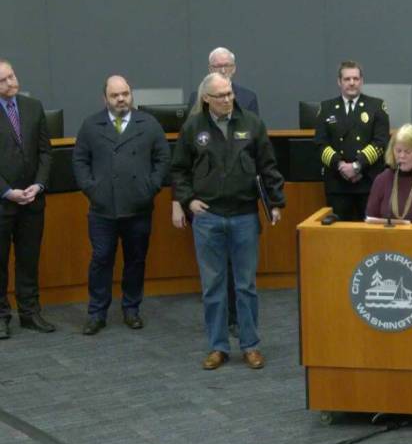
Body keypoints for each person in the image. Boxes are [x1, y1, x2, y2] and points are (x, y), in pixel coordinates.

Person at [170, 73, 285, 370]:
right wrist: (188, 200)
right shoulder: (193, 128)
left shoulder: (252, 124)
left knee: (245, 285)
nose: (227, 99)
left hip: (244, 215)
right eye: (220, 95)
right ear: (206, 98)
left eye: (229, 93)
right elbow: (179, 170)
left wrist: (275, 203)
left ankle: (250, 345)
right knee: (213, 286)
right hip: (208, 218)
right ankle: (218, 346)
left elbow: (268, 166)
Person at [72, 76, 170, 335]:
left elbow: (163, 158)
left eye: (125, 93)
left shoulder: (147, 123)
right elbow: (79, 160)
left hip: (138, 207)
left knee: (135, 260)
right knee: (101, 259)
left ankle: (131, 309)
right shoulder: (91, 125)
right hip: (102, 209)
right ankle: (96, 313)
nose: (121, 99)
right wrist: (91, 189)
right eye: (115, 95)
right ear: (104, 98)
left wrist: (150, 187)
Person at [186, 46, 258, 336]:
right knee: (214, 279)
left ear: (234, 68)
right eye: (216, 67)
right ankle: (218, 339)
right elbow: (184, 159)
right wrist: (184, 200)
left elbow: (256, 151)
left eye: (226, 66)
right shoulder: (196, 106)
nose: (221, 71)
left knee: (244, 280)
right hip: (208, 204)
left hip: (241, 204)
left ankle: (246, 331)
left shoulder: (249, 100)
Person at [0, 59, 53, 338]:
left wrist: (39, 184)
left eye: (12, 76)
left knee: (29, 259)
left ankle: (30, 313)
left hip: (32, 200)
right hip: (2, 200)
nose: (11, 82)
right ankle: (1, 316)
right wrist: (6, 191)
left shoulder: (33, 107)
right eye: (3, 80)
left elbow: (46, 151)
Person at [313, 60, 390, 221]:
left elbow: (381, 142)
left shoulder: (376, 106)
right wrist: (341, 166)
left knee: (369, 237)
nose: (352, 83)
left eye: (355, 79)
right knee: (338, 237)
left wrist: (357, 166)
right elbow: (320, 144)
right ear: (339, 82)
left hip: (367, 182)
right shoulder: (326, 108)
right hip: (337, 183)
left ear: (362, 81)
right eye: (347, 79)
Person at [187, 46, 259, 115]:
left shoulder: (248, 97)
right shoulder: (196, 97)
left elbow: (253, 126)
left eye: (227, 65)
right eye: (218, 66)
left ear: (234, 68)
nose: (223, 71)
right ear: (210, 69)